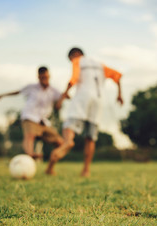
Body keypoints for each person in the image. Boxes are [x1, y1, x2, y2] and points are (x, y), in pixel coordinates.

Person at [45, 47, 123, 177]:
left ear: (74, 55)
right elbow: (118, 76)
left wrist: (62, 97)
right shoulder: (99, 65)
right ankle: (86, 170)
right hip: (98, 101)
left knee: (68, 126)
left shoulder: (78, 61)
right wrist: (119, 94)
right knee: (90, 137)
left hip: (83, 98)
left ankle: (68, 141)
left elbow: (74, 78)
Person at [0, 66, 66, 160]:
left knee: (60, 142)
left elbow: (64, 97)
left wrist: (61, 100)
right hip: (30, 117)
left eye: (46, 77)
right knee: (30, 135)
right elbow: (18, 92)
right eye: (42, 77)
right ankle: (30, 155)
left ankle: (51, 163)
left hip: (43, 121)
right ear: (38, 77)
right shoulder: (32, 87)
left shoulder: (53, 90)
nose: (44, 79)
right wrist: (3, 95)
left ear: (49, 76)